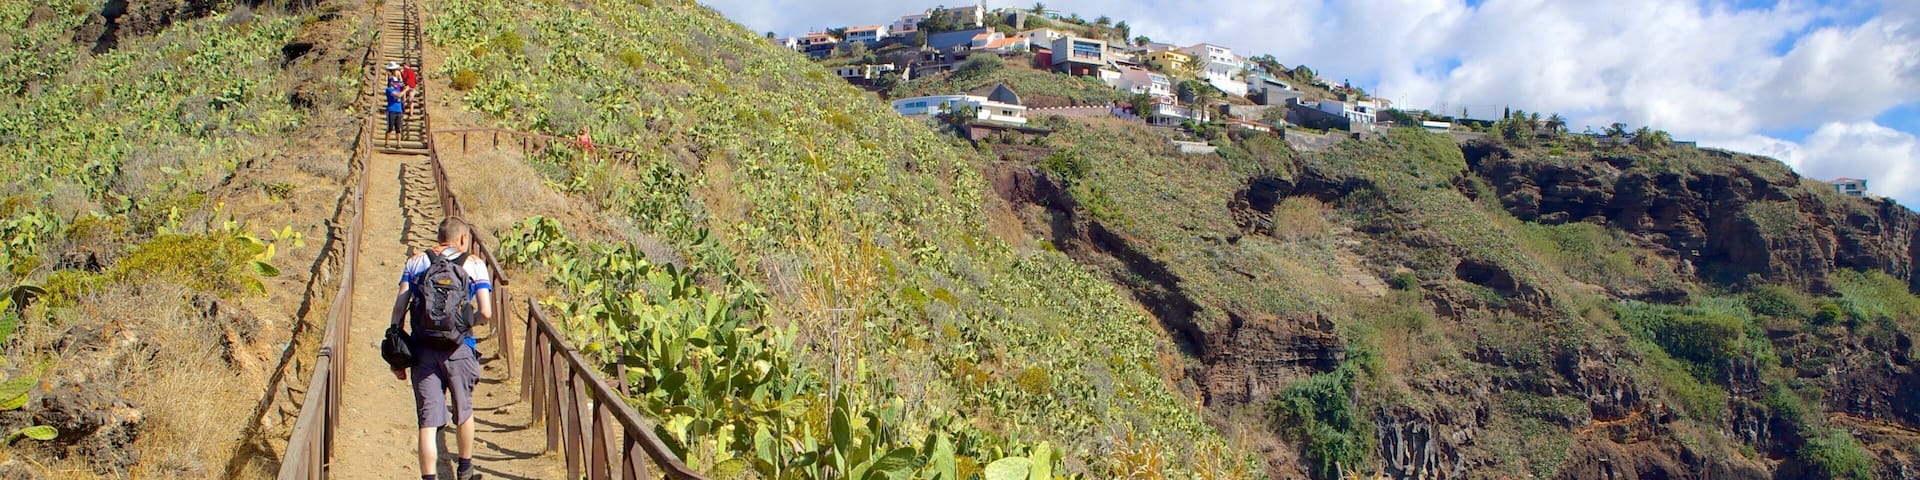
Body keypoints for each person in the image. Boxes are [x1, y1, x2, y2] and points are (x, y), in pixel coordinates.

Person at [389, 217, 492, 480]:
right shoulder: (475, 264)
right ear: (463, 239)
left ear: (439, 237)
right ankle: (466, 470)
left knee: (428, 419)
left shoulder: (416, 262)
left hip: (423, 350)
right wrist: (465, 324)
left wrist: (397, 354)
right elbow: (486, 312)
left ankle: (429, 477)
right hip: (460, 348)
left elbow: (399, 309)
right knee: (464, 410)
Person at [384, 62, 406, 143]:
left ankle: (398, 143)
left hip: (398, 109)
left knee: (398, 128)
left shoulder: (396, 75)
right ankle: (387, 142)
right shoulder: (389, 89)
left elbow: (400, 91)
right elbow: (399, 95)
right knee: (390, 127)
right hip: (391, 109)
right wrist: (405, 90)